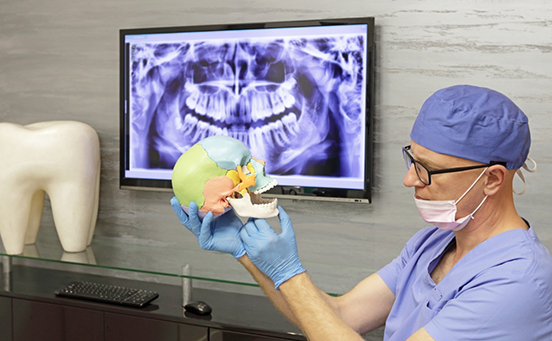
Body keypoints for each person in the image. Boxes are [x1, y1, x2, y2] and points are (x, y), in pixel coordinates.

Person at [171, 85, 552, 341]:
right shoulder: (432, 244)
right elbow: (339, 315)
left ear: (492, 179)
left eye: (427, 169)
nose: (409, 179)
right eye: (412, 159)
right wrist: (247, 253)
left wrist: (290, 273)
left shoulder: (517, 283)